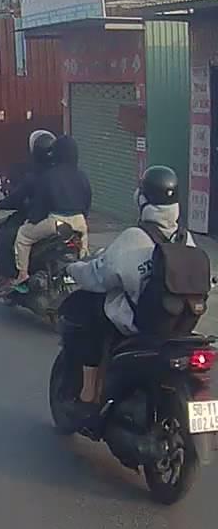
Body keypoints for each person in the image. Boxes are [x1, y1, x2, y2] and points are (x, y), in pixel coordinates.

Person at [62, 166, 196, 424]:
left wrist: (72, 268)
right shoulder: (185, 238)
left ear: (143, 200)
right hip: (181, 323)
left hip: (140, 323)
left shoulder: (135, 238)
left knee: (86, 310)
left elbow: (98, 277)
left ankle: (88, 394)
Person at [10, 135, 91, 289]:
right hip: (80, 222)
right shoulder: (82, 176)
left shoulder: (49, 176)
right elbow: (87, 202)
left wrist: (33, 219)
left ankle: (22, 275)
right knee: (83, 253)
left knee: (23, 236)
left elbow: (40, 205)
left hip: (56, 222)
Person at [0, 129, 55, 290]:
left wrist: (2, 204)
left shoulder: (35, 174)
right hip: (72, 219)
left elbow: (18, 196)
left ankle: (11, 276)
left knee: (8, 231)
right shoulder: (63, 171)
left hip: (40, 217)